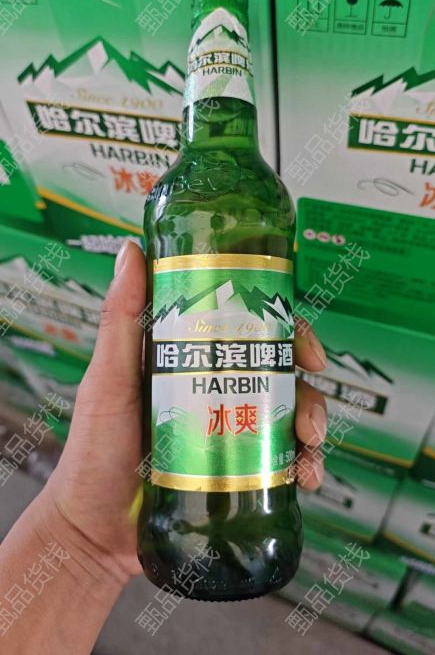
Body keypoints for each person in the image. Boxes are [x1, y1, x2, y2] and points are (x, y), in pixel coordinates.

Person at [0, 241, 327, 654]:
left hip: (253, 515)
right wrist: (75, 539)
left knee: (270, 349)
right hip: (163, 520)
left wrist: (78, 545)